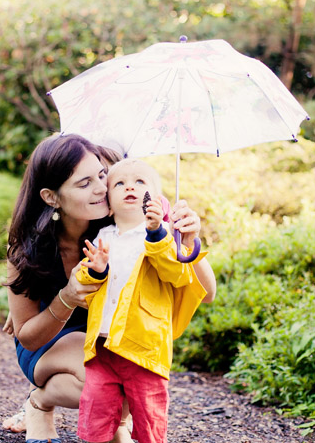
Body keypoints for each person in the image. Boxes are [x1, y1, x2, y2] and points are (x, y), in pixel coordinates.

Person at [3, 134, 214, 443]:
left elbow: (206, 293)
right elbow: (28, 336)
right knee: (104, 379)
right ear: (51, 197)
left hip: (109, 331)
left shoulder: (121, 223)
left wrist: (189, 239)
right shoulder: (28, 248)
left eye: (102, 175)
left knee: (136, 374)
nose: (101, 188)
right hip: (49, 340)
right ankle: (39, 403)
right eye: (83, 183)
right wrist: (67, 298)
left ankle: (114, 424)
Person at [75, 158, 216, 443]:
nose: (130, 187)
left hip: (145, 345)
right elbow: (84, 282)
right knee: (96, 411)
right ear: (109, 204)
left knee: (149, 416)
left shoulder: (164, 237)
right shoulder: (103, 236)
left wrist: (157, 233)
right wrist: (96, 270)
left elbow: (176, 274)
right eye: (120, 183)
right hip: (103, 345)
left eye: (141, 182)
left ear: (158, 200)